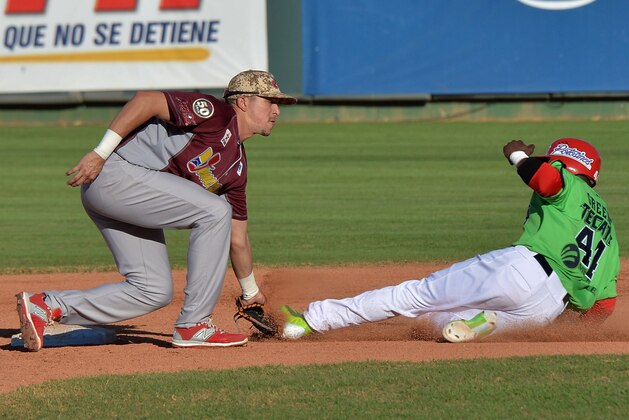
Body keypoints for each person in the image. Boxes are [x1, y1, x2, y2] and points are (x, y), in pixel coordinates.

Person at [16, 70, 297, 351]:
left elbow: (238, 237)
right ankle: (195, 324)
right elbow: (146, 101)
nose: (276, 111)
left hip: (130, 196)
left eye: (278, 104)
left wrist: (251, 292)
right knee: (214, 210)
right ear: (244, 102)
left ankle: (45, 306)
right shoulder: (216, 113)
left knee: (153, 290)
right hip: (115, 174)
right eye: (269, 101)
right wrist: (101, 153)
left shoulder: (236, 168)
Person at [281, 138, 620, 342]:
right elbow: (604, 304)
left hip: (522, 270)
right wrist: (563, 332)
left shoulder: (568, 186)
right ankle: (476, 322)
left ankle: (310, 321)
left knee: (413, 296)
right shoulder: (608, 229)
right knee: (434, 325)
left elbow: (544, 180)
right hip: (547, 308)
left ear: (567, 166)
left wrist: (517, 155)